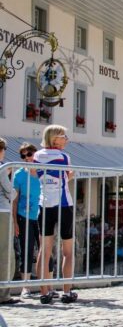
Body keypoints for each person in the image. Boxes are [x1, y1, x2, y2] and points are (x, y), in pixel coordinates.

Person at [35, 125, 77, 304]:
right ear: (54, 139)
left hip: (44, 204)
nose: (66, 139)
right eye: (63, 136)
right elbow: (65, 177)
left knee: (44, 251)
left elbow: (38, 176)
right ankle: (67, 291)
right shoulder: (63, 157)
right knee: (67, 250)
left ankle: (44, 292)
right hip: (63, 203)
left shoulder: (36, 155)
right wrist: (70, 176)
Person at [12, 142, 41, 298]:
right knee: (27, 250)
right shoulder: (19, 175)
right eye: (23, 155)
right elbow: (14, 201)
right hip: (24, 216)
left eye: (29, 154)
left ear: (35, 154)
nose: (26, 158)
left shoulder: (43, 171)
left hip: (42, 214)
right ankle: (26, 287)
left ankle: (46, 286)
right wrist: (15, 222)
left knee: (45, 250)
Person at [0, 138, 19, 305]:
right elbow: (11, 193)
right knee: (5, 252)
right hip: (2, 212)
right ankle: (3, 294)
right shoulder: (2, 168)